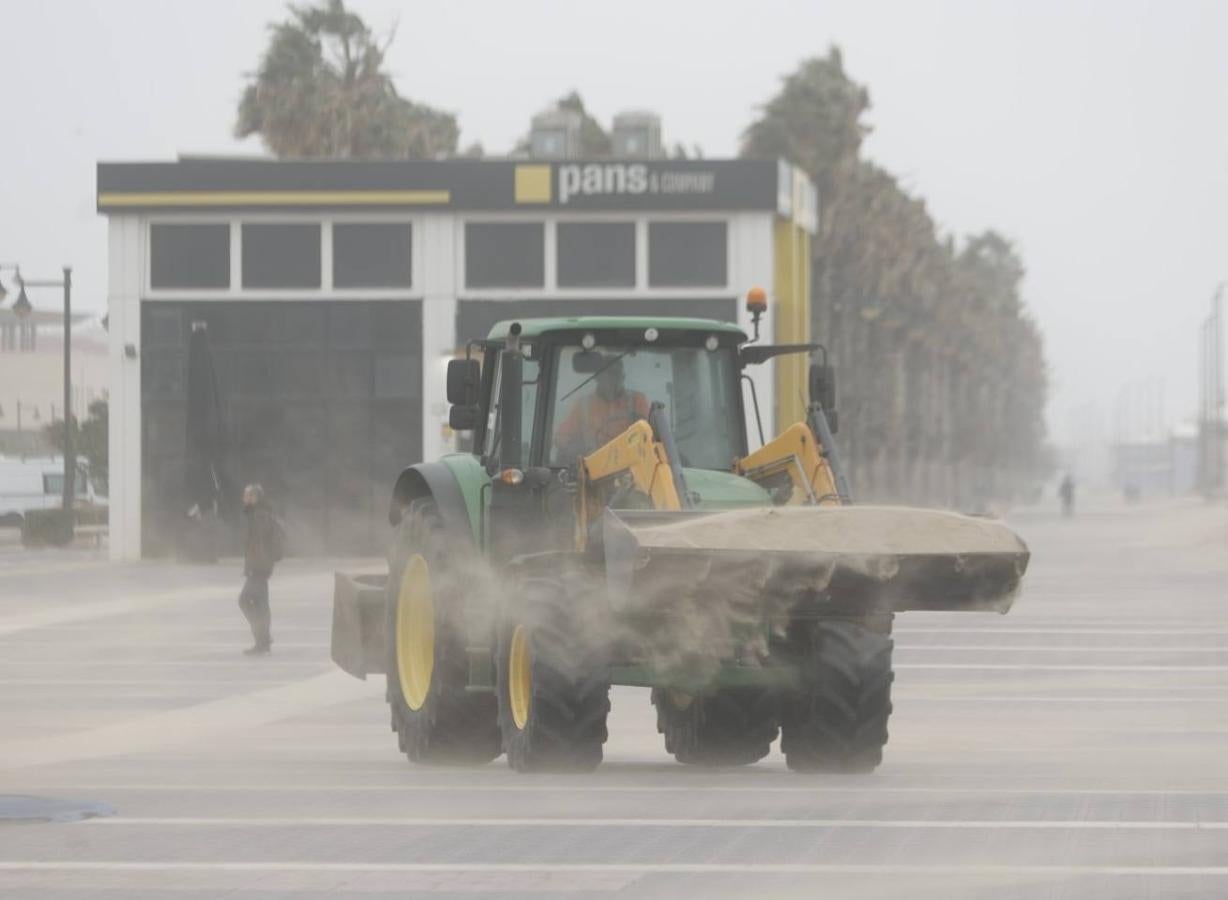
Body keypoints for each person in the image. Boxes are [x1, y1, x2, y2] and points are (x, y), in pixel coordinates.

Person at [555, 356, 651, 460]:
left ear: (623, 377)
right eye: (606, 374)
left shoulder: (637, 401)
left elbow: (651, 434)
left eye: (615, 374)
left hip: (631, 469)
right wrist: (573, 447)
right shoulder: (583, 406)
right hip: (591, 470)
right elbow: (562, 436)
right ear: (597, 378)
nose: (610, 379)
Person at [238, 484, 282, 655]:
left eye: (247, 495)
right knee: (260, 604)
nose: (244, 498)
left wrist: (254, 568)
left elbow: (259, 545)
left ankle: (262, 638)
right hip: (261, 567)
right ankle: (263, 640)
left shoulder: (260, 517)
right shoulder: (258, 515)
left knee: (245, 601)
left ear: (254, 498)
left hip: (259, 568)